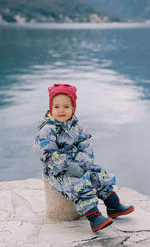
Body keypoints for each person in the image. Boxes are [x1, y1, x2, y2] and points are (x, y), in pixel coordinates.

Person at [34, 84, 134, 232]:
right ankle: (94, 217)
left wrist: (84, 160)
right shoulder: (48, 130)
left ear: (73, 108)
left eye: (66, 107)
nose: (61, 110)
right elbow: (46, 154)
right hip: (58, 169)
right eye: (57, 107)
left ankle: (113, 205)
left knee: (98, 174)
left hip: (79, 161)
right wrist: (67, 165)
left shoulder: (76, 125)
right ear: (51, 108)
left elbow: (86, 141)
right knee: (78, 184)